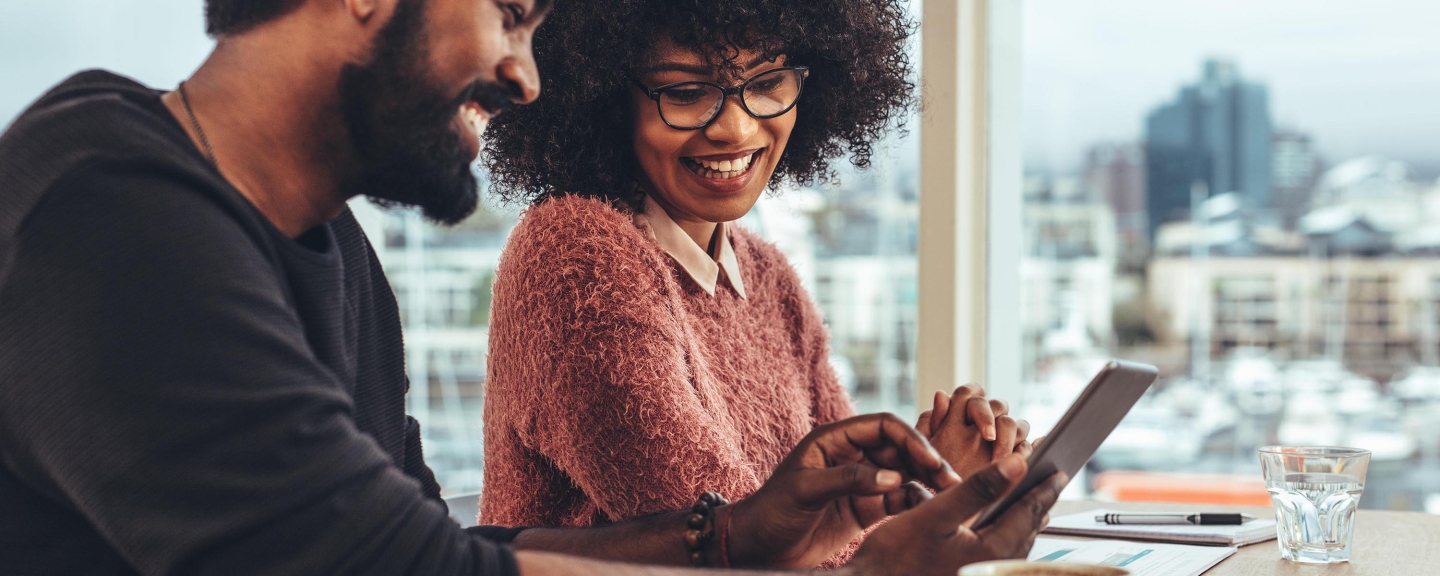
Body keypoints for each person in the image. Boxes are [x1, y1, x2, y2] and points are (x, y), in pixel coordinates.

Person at [0, 0, 1066, 575]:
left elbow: (439, 542)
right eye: (511, 14)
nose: (526, 76)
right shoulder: (113, 210)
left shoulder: (334, 259)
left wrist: (736, 538)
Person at [479, 0, 1031, 553]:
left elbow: (838, 530)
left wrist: (930, 476)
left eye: (768, 81)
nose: (736, 128)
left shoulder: (768, 276)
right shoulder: (577, 256)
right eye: (687, 93)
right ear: (605, 102)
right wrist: (934, 498)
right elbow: (735, 549)